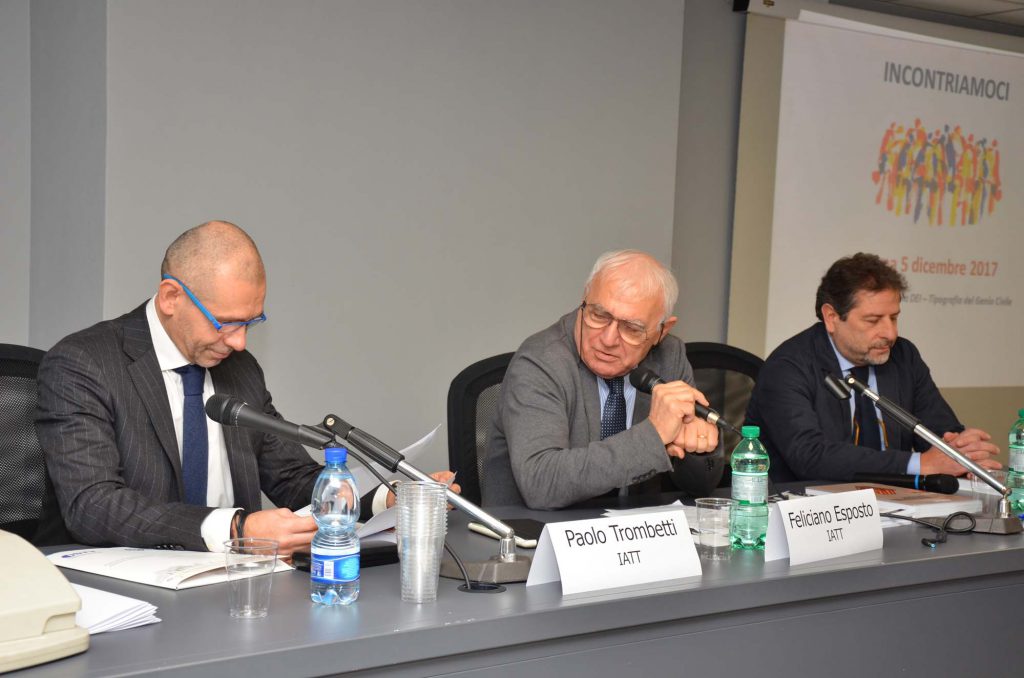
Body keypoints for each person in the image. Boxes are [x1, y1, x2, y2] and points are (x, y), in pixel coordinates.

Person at [37, 221, 456, 555]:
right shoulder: (84, 364)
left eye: (250, 323)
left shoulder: (239, 369)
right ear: (170, 297)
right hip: (121, 592)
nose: (239, 342)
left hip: (233, 588)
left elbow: (292, 478)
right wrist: (237, 529)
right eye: (226, 323)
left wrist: (385, 500)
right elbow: (92, 504)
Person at [484, 250, 723, 509]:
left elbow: (701, 487)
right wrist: (654, 436)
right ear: (583, 301)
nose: (608, 340)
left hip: (634, 529)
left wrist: (699, 447)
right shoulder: (540, 361)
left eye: (631, 328)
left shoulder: (669, 356)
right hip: (534, 530)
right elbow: (542, 484)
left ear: (661, 332)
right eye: (599, 315)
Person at [745, 252, 1001, 482]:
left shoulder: (903, 356)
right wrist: (920, 464)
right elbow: (810, 456)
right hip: (808, 508)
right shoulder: (787, 367)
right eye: (873, 320)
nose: (890, 333)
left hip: (897, 503)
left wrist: (961, 451)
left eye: (894, 318)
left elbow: (938, 431)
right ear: (832, 317)